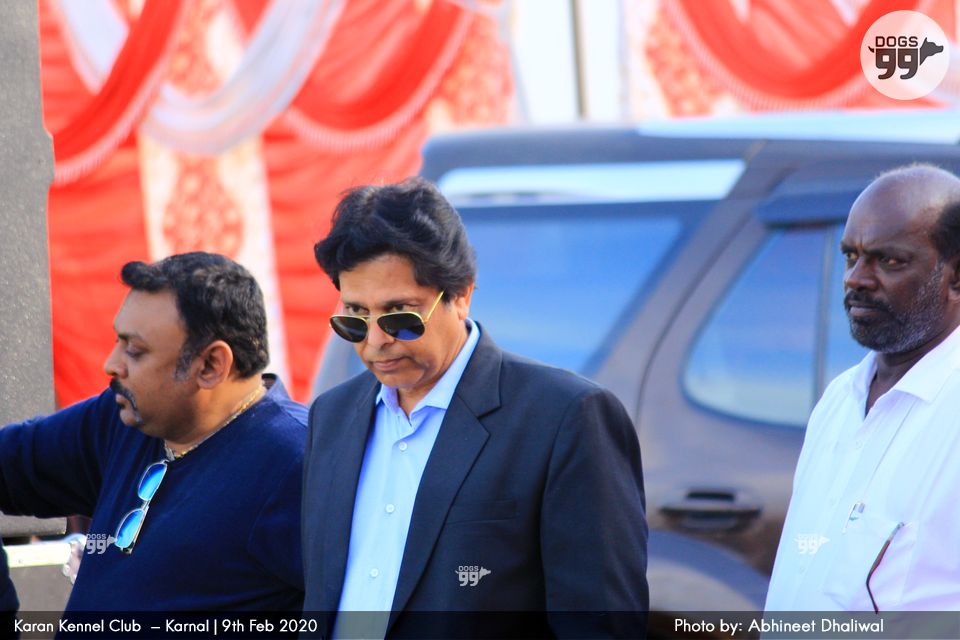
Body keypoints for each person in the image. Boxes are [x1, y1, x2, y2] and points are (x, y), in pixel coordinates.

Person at [303, 177, 648, 638]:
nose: (376, 341)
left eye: (400, 315)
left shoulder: (565, 418)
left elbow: (601, 624)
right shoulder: (331, 417)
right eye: (355, 317)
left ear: (461, 295)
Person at [0, 252, 307, 612]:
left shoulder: (297, 462)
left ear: (211, 365)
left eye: (134, 350)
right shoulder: (124, 417)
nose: (111, 364)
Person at [766, 164, 960, 611]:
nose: (856, 278)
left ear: (956, 277)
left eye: (888, 261)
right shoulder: (840, 398)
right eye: (851, 256)